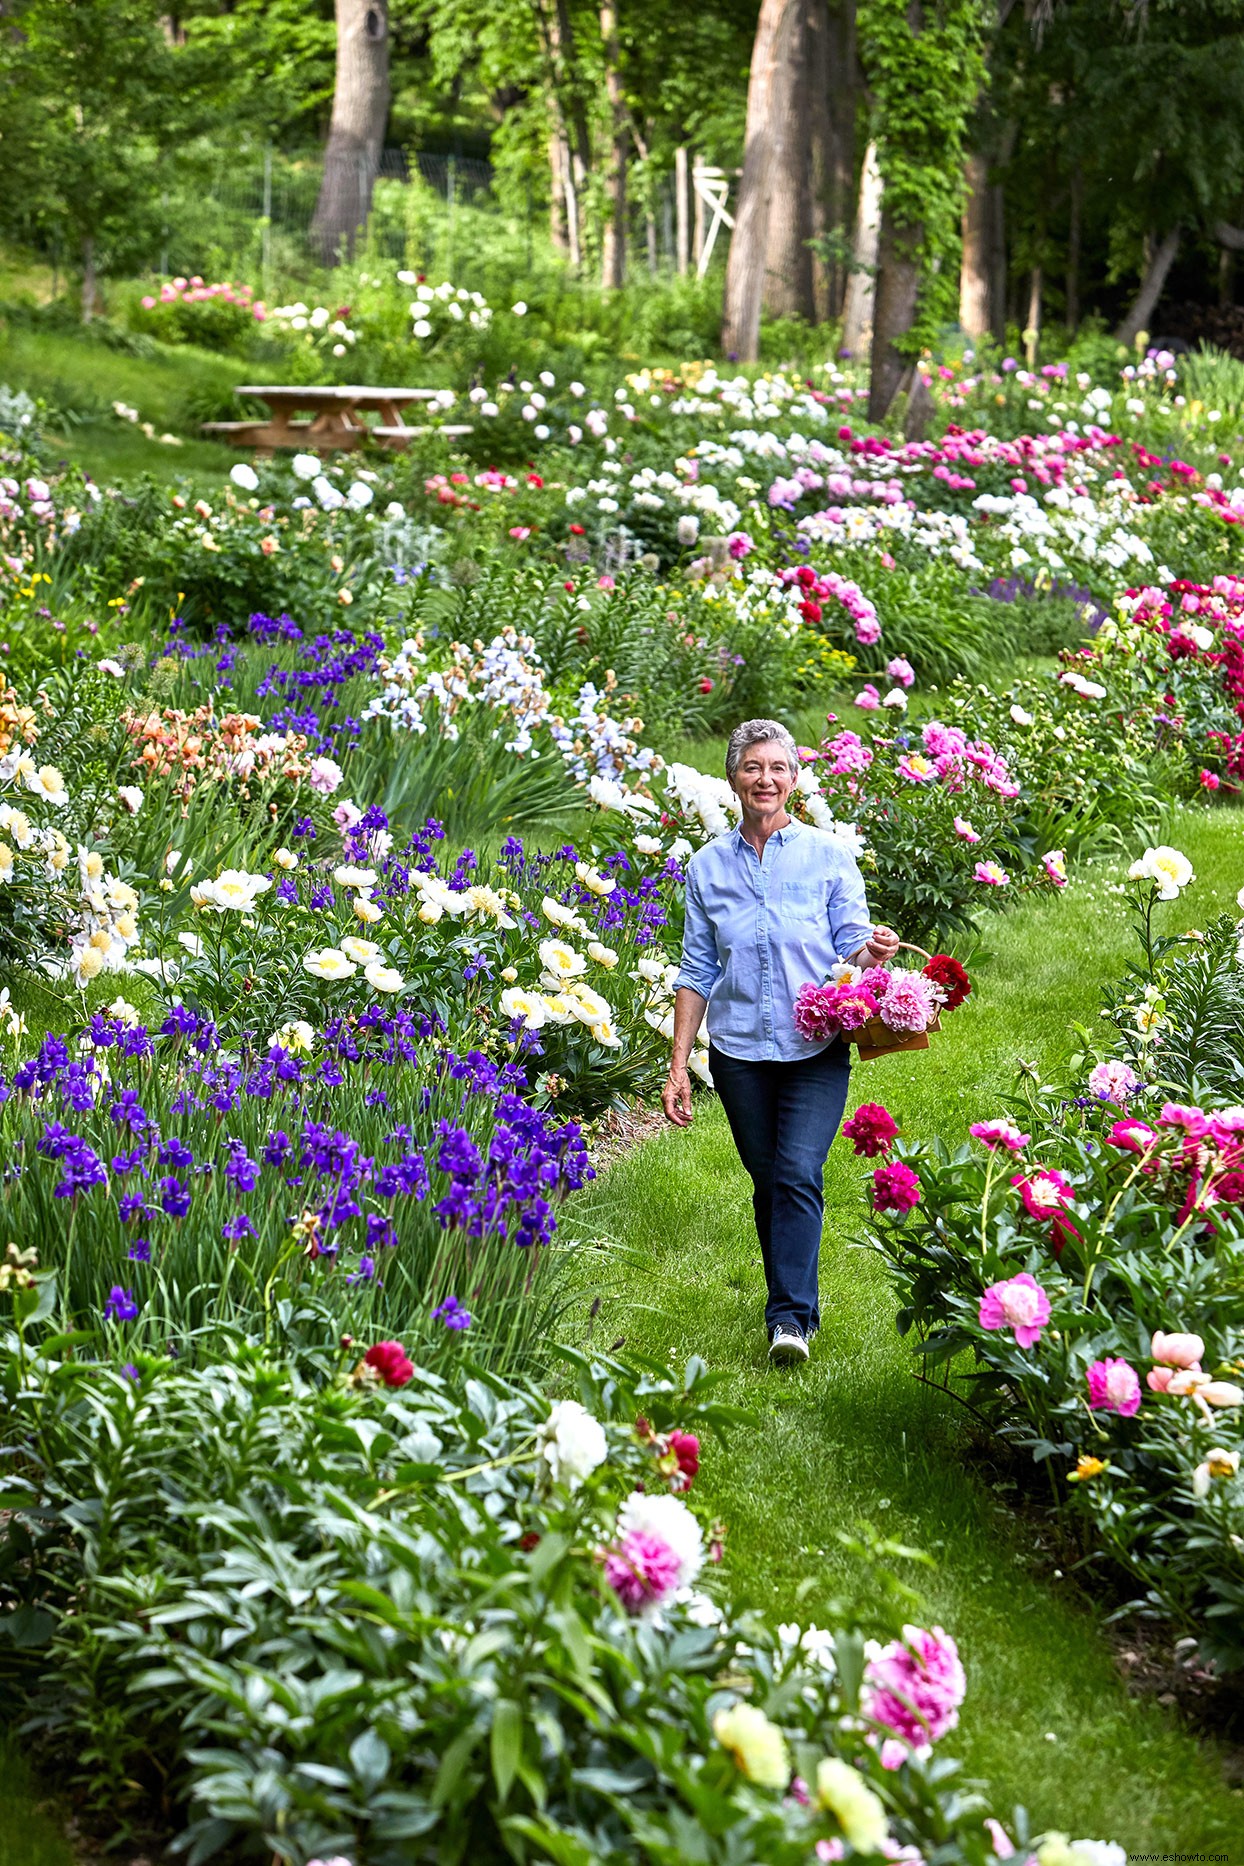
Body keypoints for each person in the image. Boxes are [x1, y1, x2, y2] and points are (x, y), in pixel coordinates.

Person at [661, 717, 899, 1364]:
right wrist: (680, 1065)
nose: (765, 779)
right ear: (733, 778)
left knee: (798, 1171)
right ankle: (791, 1303)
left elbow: (853, 947)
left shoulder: (828, 857)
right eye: (751, 768)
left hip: (815, 1046)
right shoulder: (707, 868)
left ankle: (789, 1319)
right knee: (769, 1182)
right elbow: (696, 969)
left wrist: (872, 952)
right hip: (739, 1052)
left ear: (795, 778)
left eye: (777, 768)